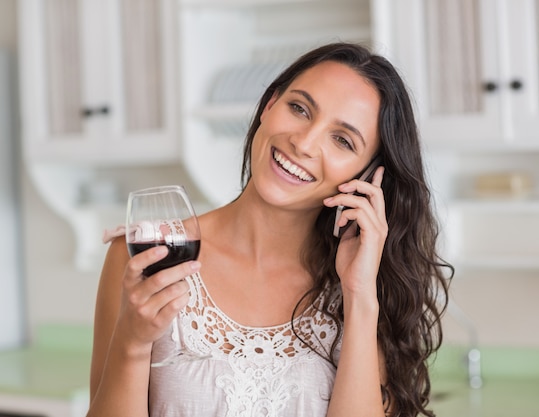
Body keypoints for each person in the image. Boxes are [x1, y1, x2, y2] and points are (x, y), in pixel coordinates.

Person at [86, 42, 452, 417]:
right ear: (269, 105)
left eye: (342, 140)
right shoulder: (149, 256)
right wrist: (131, 343)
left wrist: (360, 297)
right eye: (299, 108)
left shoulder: (360, 288)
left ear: (366, 176)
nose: (304, 143)